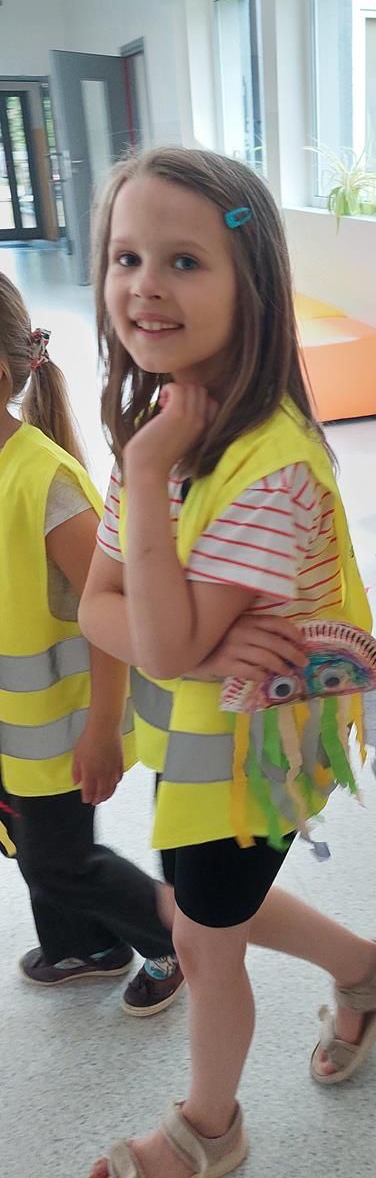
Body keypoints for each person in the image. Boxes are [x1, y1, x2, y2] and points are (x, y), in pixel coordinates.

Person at [80, 147, 376, 1178]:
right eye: (127, 256)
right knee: (205, 902)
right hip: (205, 739)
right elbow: (96, 603)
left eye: (184, 261)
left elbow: (157, 636)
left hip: (253, 755)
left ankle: (208, 1128)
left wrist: (145, 487)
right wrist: (174, 641)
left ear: (253, 285)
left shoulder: (267, 463)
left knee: (202, 937)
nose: (146, 284)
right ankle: (370, 971)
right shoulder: (166, 422)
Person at [0, 272, 183, 1017]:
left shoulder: (46, 482)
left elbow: (112, 614)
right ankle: (84, 946)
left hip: (58, 731)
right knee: (28, 843)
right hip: (12, 727)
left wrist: (104, 730)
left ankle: (174, 940)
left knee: (59, 858)